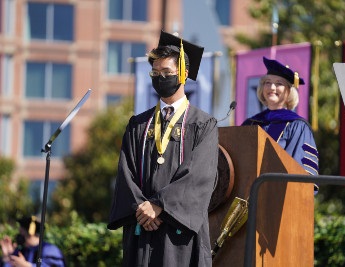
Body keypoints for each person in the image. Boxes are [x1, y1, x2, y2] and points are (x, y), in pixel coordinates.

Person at [107, 30, 219, 267]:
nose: (160, 78)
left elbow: (199, 176)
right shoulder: (139, 124)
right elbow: (125, 172)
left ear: (184, 74)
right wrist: (142, 208)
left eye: (167, 73)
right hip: (142, 228)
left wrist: (160, 205)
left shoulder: (203, 124)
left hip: (179, 234)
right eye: (155, 73)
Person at [242, 57, 319, 189]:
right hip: (248, 196)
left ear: (289, 91)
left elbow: (301, 172)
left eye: (279, 83)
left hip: (281, 196)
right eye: (267, 82)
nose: (272, 87)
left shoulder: (297, 126)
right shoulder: (250, 124)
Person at [0, 216, 66, 267]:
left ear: (31, 232)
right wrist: (7, 256)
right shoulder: (22, 251)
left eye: (21, 232)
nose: (19, 236)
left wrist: (27, 266)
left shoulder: (49, 250)